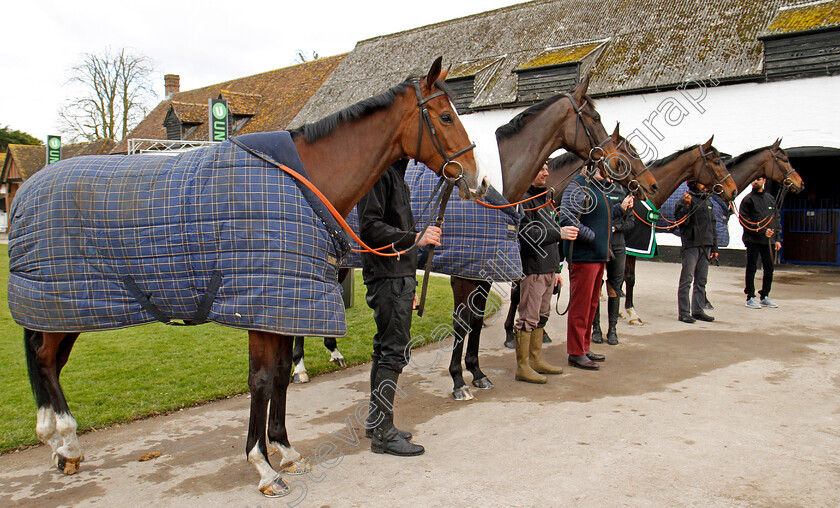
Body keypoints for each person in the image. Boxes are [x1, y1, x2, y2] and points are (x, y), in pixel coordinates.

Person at [357, 158, 440, 456]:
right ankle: (383, 433)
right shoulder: (380, 175)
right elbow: (369, 228)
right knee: (393, 351)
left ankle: (377, 422)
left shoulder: (396, 177)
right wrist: (415, 238)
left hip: (397, 277)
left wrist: (409, 280)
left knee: (384, 349)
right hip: (388, 277)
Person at [514, 163, 578, 383]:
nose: (546, 173)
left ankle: (536, 359)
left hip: (549, 268)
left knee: (542, 316)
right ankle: (523, 366)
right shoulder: (523, 199)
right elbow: (528, 233)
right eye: (540, 168)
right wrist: (558, 232)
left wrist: (557, 268)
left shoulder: (545, 199)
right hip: (533, 269)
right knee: (528, 318)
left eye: (547, 169)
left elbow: (552, 238)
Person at [559, 165, 617, 370]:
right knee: (581, 306)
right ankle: (575, 352)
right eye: (601, 167)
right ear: (587, 166)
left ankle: (584, 347)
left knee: (591, 306)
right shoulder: (577, 187)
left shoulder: (597, 188)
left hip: (597, 257)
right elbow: (566, 218)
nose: (606, 171)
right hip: (583, 256)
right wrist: (592, 237)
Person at [591, 177, 634, 345]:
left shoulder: (621, 192)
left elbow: (631, 221)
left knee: (615, 287)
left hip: (617, 245)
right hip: (599, 244)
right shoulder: (594, 191)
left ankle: (613, 329)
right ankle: (596, 328)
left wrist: (615, 228)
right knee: (596, 286)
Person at [675, 181, 718, 323]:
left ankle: (698, 310)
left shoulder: (707, 200)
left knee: (701, 280)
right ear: (693, 183)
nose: (705, 184)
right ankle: (684, 312)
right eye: (701, 182)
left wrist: (715, 247)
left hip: (706, 246)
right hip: (691, 245)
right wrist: (687, 207)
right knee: (687, 280)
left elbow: (713, 224)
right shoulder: (685, 200)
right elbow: (681, 222)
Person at [740, 176, 781, 309]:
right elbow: (745, 221)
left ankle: (765, 295)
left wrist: (777, 239)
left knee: (769, 268)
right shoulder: (747, 200)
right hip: (753, 240)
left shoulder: (770, 198)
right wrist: (762, 231)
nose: (755, 181)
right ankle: (750, 296)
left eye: (758, 179)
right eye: (753, 180)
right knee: (752, 267)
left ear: (764, 180)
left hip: (768, 241)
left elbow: (776, 219)